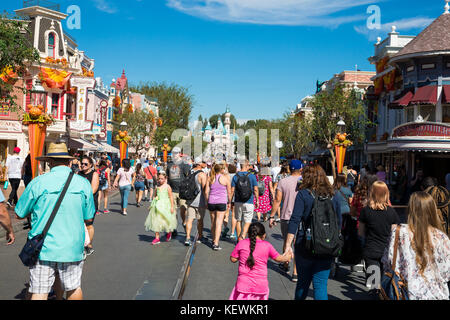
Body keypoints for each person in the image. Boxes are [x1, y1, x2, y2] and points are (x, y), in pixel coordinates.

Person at [15, 142, 95, 300]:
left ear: (49, 162)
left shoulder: (38, 182)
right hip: (72, 246)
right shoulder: (83, 183)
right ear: (69, 161)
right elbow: (89, 217)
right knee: (73, 288)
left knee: (39, 290)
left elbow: (19, 213)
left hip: (43, 246)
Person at [285, 164, 342, 300]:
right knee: (321, 286)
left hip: (305, 243)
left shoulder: (303, 194)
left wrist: (288, 244)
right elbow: (339, 222)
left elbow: (295, 220)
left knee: (303, 284)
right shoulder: (334, 196)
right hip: (327, 245)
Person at [381, 191, 450, 300]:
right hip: (437, 294)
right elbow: (446, 273)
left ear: (410, 209)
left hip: (406, 293)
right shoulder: (442, 237)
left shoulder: (399, 232)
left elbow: (388, 262)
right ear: (432, 210)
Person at [229, 222, 293, 300]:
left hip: (243, 285)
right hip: (260, 287)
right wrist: (288, 256)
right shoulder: (267, 246)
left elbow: (233, 259)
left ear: (248, 234)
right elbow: (279, 258)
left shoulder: (241, 243)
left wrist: (241, 256)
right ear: (264, 235)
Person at [358, 181, 400, 296]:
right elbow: (394, 234)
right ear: (386, 194)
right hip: (387, 251)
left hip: (370, 249)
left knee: (373, 285)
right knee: (385, 285)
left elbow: (361, 232)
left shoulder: (365, 211)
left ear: (372, 193)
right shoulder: (392, 212)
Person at [269, 159, 303, 282]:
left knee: (286, 242)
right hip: (301, 218)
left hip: (286, 216)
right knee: (298, 245)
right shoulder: (304, 181)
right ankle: (295, 272)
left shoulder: (283, 181)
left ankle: (285, 264)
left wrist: (272, 216)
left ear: (290, 169)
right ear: (301, 169)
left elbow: (277, 200)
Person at [144, 171, 176, 244]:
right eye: (159, 179)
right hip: (158, 205)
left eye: (162, 179)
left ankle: (168, 232)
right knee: (156, 221)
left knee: (166, 220)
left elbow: (171, 197)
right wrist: (152, 204)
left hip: (166, 205)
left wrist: (172, 206)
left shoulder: (168, 187)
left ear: (165, 179)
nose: (160, 180)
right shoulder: (157, 187)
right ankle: (157, 238)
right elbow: (155, 196)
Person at [231, 160, 259, 241]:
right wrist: (257, 200)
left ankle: (240, 239)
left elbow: (232, 190)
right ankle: (243, 235)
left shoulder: (235, 176)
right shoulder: (252, 176)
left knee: (238, 220)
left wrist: (230, 201)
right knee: (248, 221)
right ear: (247, 166)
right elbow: (256, 189)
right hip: (249, 201)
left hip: (238, 201)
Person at [205, 163, 231, 251]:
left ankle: (213, 240)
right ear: (221, 170)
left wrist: (207, 201)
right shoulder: (225, 179)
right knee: (219, 223)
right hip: (221, 202)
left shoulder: (210, 178)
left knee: (213, 222)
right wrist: (229, 202)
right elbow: (229, 192)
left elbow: (206, 192)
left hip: (211, 202)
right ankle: (216, 243)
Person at [78, 156, 99, 257]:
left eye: (85, 164)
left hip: (90, 203)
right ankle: (80, 244)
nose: (83, 165)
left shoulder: (94, 174)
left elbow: (92, 190)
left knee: (88, 224)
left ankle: (88, 246)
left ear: (91, 165)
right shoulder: (78, 174)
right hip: (78, 202)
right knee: (79, 224)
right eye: (82, 163)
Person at [167, 147, 191, 235]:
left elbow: (188, 177)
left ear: (179, 153)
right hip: (172, 190)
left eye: (176, 153)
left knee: (183, 209)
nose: (174, 154)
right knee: (173, 210)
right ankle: (174, 227)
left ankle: (184, 222)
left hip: (182, 191)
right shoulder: (169, 164)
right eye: (173, 153)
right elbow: (167, 177)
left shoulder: (184, 164)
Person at [184, 158, 208, 246]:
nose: (205, 164)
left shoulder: (189, 172)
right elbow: (205, 189)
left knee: (189, 219)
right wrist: (206, 201)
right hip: (199, 201)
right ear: (199, 164)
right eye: (203, 162)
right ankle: (200, 236)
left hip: (190, 199)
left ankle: (187, 237)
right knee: (200, 220)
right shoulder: (202, 174)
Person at [223, 164, 238, 239]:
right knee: (234, 215)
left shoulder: (226, 176)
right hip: (235, 197)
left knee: (225, 214)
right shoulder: (237, 176)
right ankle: (232, 232)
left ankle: (225, 227)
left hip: (226, 197)